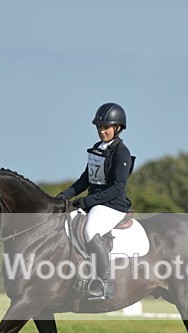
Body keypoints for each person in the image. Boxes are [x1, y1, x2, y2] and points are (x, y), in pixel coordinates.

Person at [56, 102, 135, 299]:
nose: (102, 131)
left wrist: (86, 202)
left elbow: (117, 188)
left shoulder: (121, 152)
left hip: (112, 205)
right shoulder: (97, 149)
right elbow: (85, 179)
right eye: (99, 127)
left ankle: (105, 283)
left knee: (91, 230)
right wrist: (64, 195)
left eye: (106, 127)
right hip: (95, 202)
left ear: (117, 128)